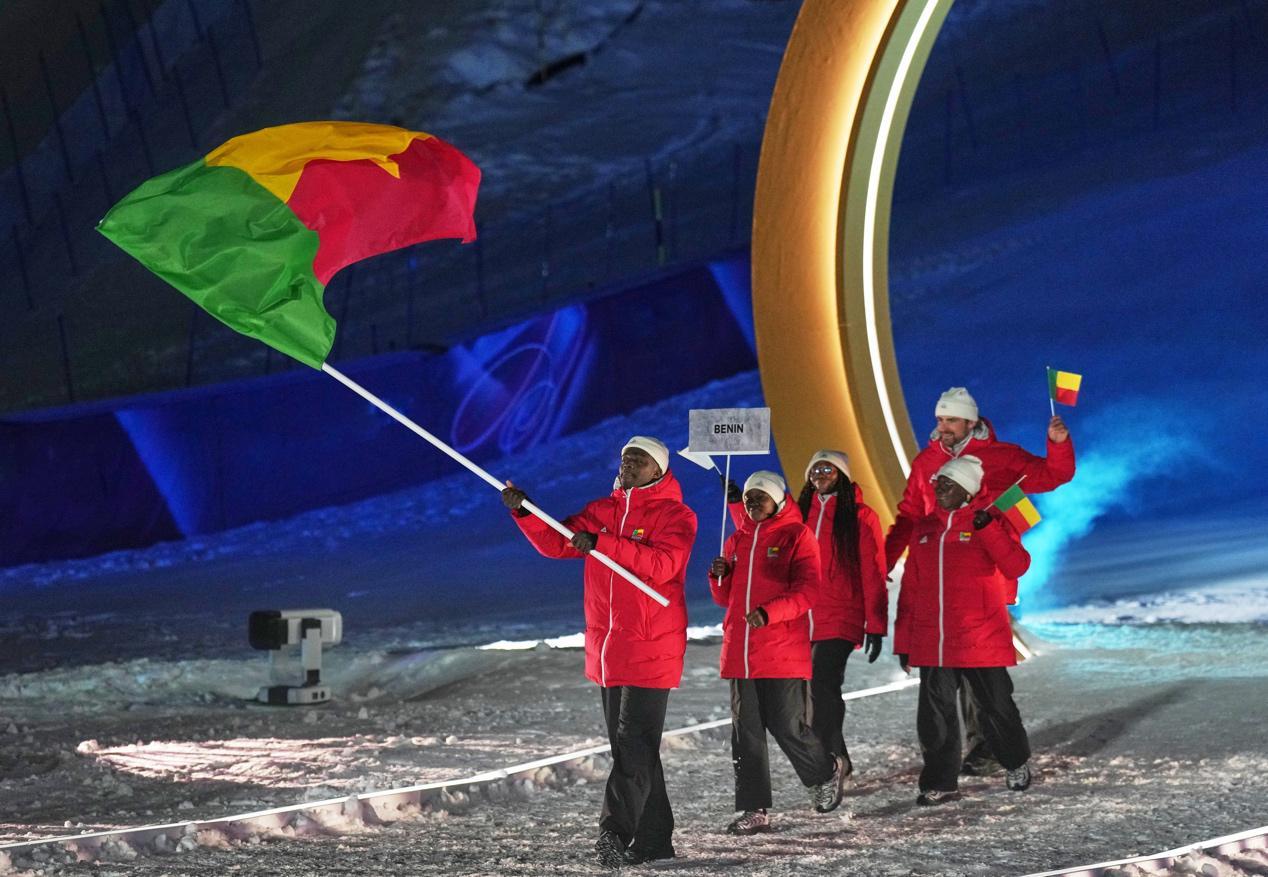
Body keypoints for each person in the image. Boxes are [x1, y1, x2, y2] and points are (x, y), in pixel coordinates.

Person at [502, 436, 696, 869]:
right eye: (626, 457)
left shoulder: (676, 515)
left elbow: (664, 565)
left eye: (639, 459)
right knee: (633, 751)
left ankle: (614, 834)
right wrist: (524, 512)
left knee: (634, 745)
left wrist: (603, 544)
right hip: (609, 650)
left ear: (659, 470)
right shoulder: (601, 511)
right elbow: (557, 542)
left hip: (652, 646)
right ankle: (655, 841)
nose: (629, 464)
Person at [884, 386, 1074, 774]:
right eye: (940, 419)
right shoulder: (926, 462)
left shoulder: (1002, 456)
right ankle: (966, 751)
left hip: (988, 573)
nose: (943, 427)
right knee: (946, 667)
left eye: (951, 420)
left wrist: (1058, 444)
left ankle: (987, 744)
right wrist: (884, 561)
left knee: (980, 667)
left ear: (971, 422)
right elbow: (909, 515)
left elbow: (1054, 474)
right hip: (941, 576)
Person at [709, 470, 847, 835]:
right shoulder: (736, 539)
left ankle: (825, 772)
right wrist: (719, 576)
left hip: (781, 649)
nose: (753, 503)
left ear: (778, 501)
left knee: (787, 725)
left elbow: (808, 591)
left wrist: (770, 612)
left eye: (761, 497)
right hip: (740, 652)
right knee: (747, 733)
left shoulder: (796, 536)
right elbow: (724, 599)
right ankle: (754, 809)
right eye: (748, 498)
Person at [893, 455, 1035, 805]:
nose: (939, 488)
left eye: (948, 483)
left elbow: (1017, 565)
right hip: (935, 640)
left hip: (980, 637)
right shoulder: (925, 529)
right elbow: (911, 588)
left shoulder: (988, 521)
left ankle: (1015, 761)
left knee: (997, 707)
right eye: (938, 482)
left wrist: (989, 529)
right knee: (935, 717)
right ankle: (940, 783)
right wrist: (904, 641)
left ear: (967, 491)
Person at [795, 450, 888, 778]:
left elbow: (873, 572)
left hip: (841, 615)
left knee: (822, 682)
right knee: (805, 693)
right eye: (815, 469)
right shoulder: (797, 514)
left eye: (828, 470)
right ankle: (839, 758)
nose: (820, 475)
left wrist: (875, 624)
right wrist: (737, 503)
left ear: (843, 476)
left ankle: (829, 760)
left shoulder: (860, 516)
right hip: (802, 618)